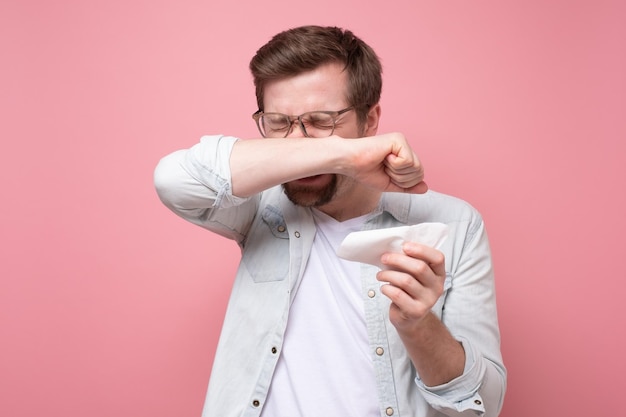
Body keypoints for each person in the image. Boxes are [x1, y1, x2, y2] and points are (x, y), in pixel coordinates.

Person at [154, 25, 506, 417]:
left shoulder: (455, 224)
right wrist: (337, 154)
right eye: (278, 122)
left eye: (321, 120)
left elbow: (483, 405)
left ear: (370, 120)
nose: (298, 142)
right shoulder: (258, 205)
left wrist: (417, 325)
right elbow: (173, 180)